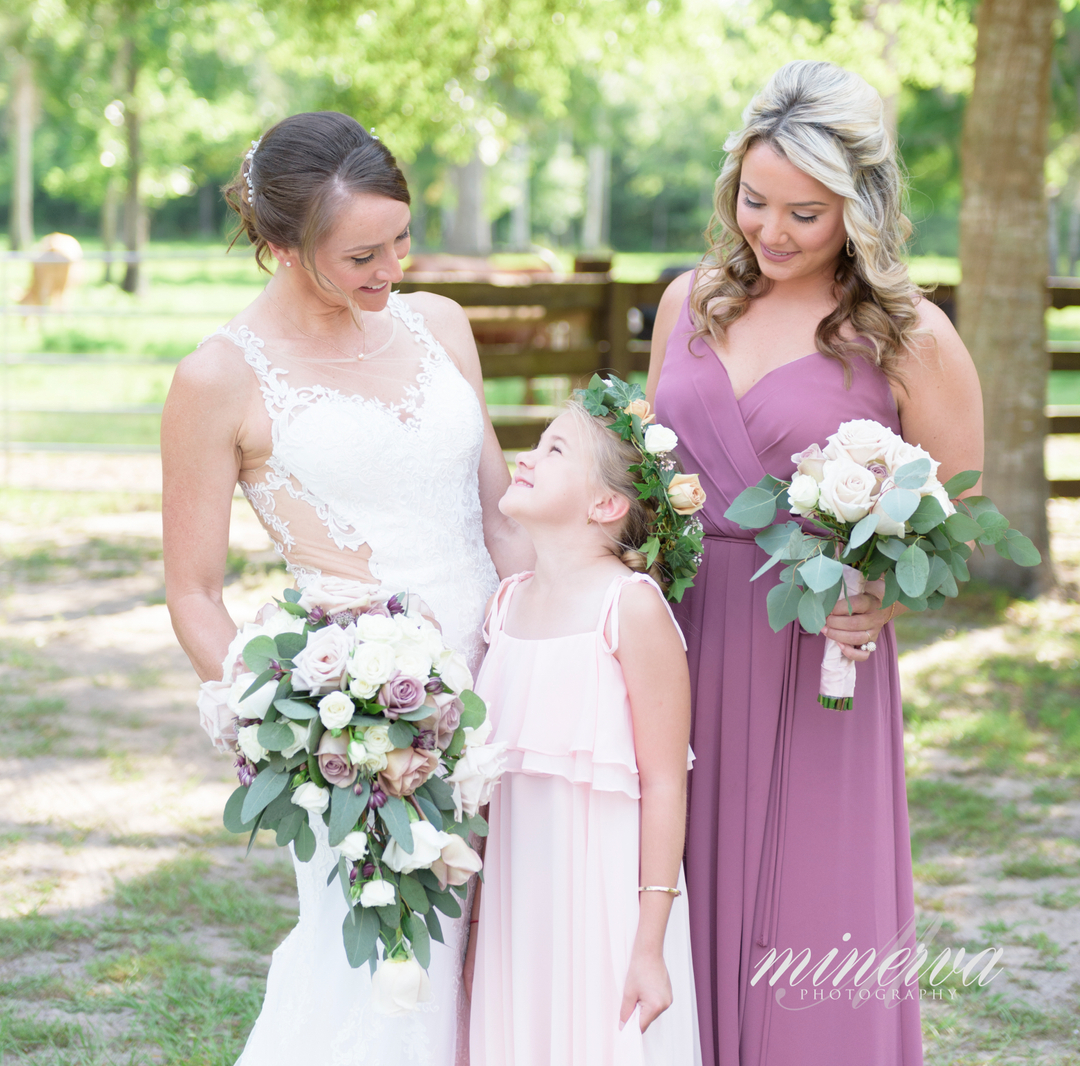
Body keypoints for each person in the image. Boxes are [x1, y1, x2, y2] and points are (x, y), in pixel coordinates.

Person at [161, 111, 529, 1066]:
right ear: (282, 245)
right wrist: (296, 728)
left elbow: (498, 515)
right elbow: (194, 591)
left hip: (510, 678)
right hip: (367, 724)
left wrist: (576, 633)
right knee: (390, 977)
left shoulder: (439, 325)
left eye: (402, 240)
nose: (393, 269)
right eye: (363, 255)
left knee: (518, 953)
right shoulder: (217, 379)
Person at [646, 61, 983, 1066]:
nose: (773, 232)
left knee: (811, 908)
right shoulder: (688, 302)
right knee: (668, 884)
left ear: (859, 209)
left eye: (806, 213)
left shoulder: (909, 336)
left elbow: (956, 517)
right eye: (755, 201)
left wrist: (881, 599)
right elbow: (639, 465)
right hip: (673, 639)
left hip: (814, 652)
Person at [466, 389, 704, 1066]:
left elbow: (665, 784)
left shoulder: (630, 608)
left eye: (555, 449)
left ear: (606, 505)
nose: (527, 457)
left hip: (607, 902)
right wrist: (478, 920)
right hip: (519, 901)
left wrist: (649, 945)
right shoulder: (506, 606)